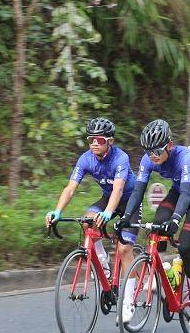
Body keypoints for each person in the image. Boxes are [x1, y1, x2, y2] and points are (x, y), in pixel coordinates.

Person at [116, 119, 190, 328]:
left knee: (186, 246)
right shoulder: (148, 159)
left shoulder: (186, 157)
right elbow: (138, 192)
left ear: (169, 145)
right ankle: (163, 270)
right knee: (157, 224)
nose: (153, 156)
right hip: (178, 192)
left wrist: (176, 219)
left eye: (157, 151)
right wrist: (125, 217)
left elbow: (187, 194)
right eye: (148, 151)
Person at [44, 117, 141, 322]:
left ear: (110, 141)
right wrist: (57, 211)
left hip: (129, 200)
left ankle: (128, 301)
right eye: (91, 139)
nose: (94, 143)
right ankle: (103, 263)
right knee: (87, 220)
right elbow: (70, 188)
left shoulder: (120, 158)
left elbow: (119, 189)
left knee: (124, 250)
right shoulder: (85, 159)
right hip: (108, 198)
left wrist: (108, 212)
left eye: (99, 139)